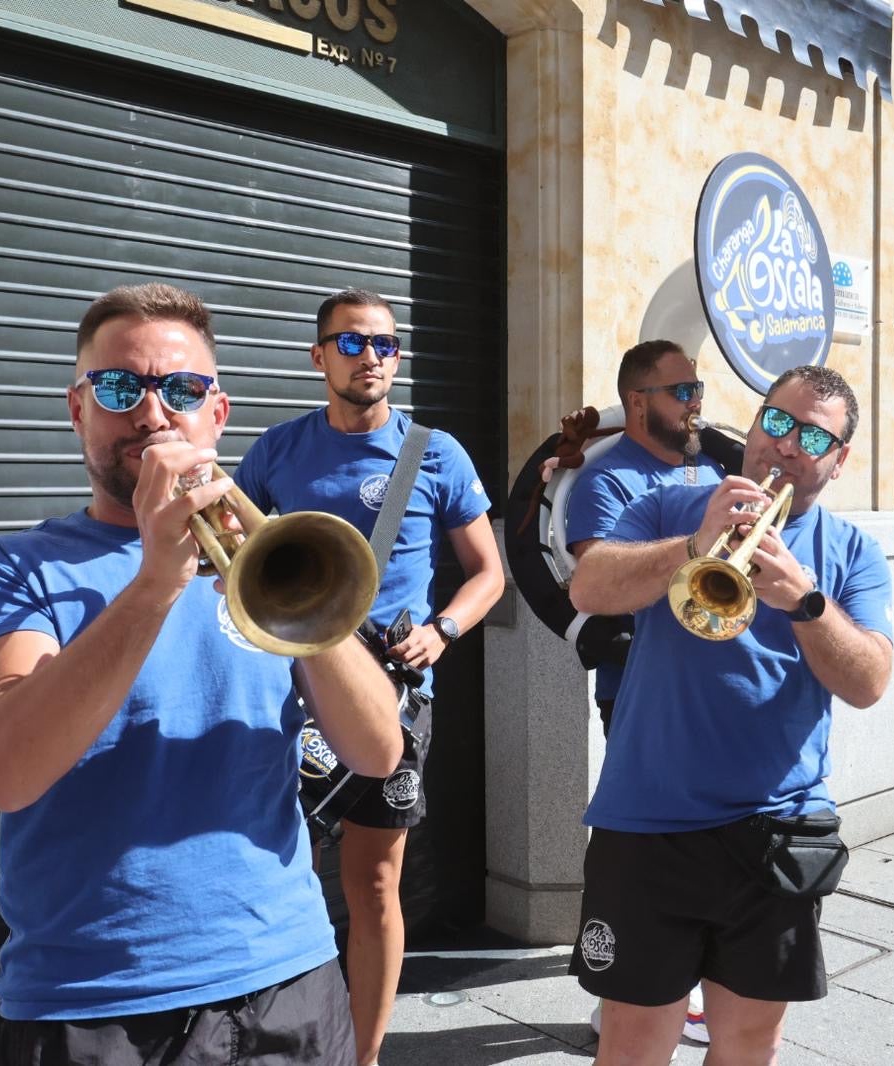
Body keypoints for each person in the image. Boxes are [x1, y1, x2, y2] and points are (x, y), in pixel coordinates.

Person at [0, 283, 405, 1064]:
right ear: (78, 409)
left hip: (288, 977)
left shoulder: (271, 561)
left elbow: (378, 751)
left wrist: (301, 595)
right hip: (97, 1002)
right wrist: (155, 582)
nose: (152, 415)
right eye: (119, 388)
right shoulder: (14, 568)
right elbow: (5, 772)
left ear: (216, 415)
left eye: (181, 389)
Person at [567, 365, 894, 1066]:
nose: (785, 443)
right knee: (631, 1044)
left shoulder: (853, 553)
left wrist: (805, 603)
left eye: (812, 435)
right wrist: (693, 547)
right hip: (649, 824)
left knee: (750, 1044)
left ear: (836, 462)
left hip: (778, 828)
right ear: (752, 426)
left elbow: (869, 682)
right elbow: (590, 585)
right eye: (776, 421)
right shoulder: (668, 505)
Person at [233, 288, 504, 1066]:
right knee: (272, 876)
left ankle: (365, 1055)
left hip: (391, 698)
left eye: (384, 344)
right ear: (318, 356)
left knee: (374, 887)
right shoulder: (278, 451)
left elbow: (488, 572)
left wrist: (444, 629)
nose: (371, 358)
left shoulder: (436, 453)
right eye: (351, 344)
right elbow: (228, 565)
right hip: (285, 696)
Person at [564, 339, 726, 1048]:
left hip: (715, 683)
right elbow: (600, 587)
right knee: (647, 841)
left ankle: (683, 982)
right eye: (682, 391)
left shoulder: (713, 464)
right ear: (638, 403)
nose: (696, 403)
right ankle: (624, 993)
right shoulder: (605, 482)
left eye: (697, 390)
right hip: (637, 683)